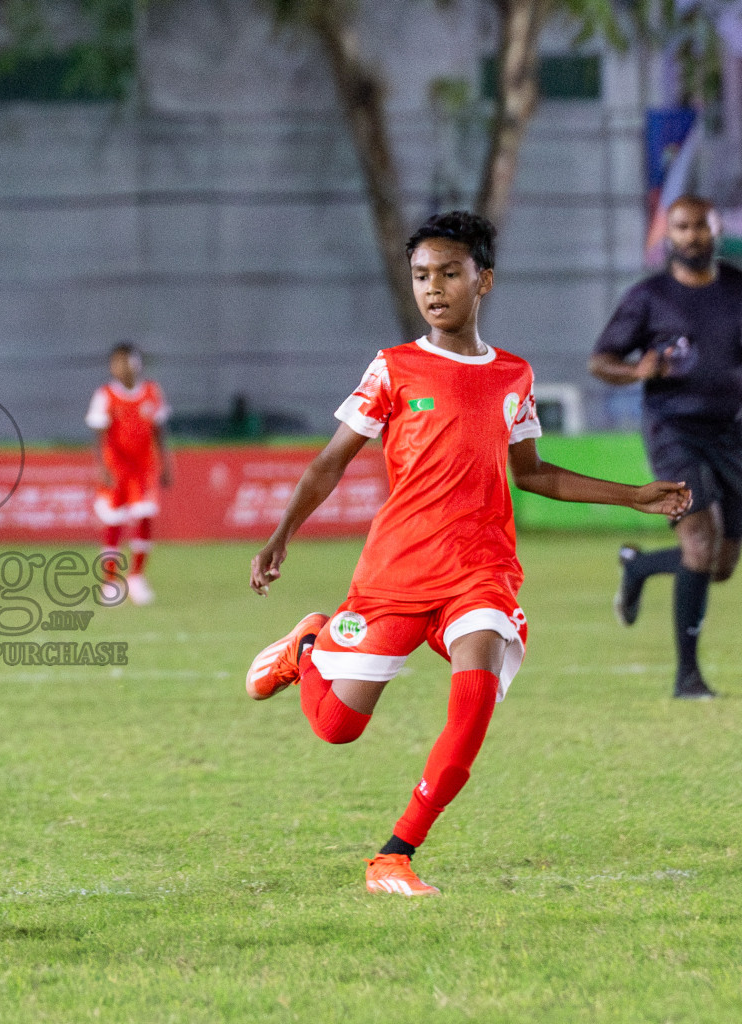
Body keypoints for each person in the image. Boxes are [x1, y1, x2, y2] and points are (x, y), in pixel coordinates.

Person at [244, 211, 691, 897]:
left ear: (482, 280)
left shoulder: (513, 375)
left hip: (479, 571)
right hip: (396, 572)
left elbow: (535, 474)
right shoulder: (393, 368)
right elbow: (330, 463)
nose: (434, 287)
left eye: (449, 273)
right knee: (336, 729)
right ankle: (308, 650)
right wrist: (282, 535)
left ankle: (394, 854)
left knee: (475, 692)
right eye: (422, 275)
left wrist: (634, 497)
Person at [589, 194, 742, 700]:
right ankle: (688, 679)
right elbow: (601, 361)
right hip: (673, 432)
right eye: (682, 227)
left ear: (715, 229)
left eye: (701, 225)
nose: (693, 235)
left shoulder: (737, 288)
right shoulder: (649, 298)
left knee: (719, 565)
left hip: (731, 433)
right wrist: (636, 370)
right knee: (700, 543)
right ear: (668, 235)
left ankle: (640, 566)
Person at [86, 342, 172, 605]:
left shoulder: (151, 393)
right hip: (117, 470)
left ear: (137, 363)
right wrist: (102, 469)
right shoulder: (106, 395)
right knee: (114, 523)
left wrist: (166, 464)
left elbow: (159, 431)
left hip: (144, 469)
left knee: (144, 518)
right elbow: (99, 436)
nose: (121, 367)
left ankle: (136, 577)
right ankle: (110, 582)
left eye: (125, 361)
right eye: (116, 362)